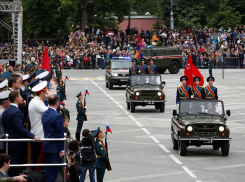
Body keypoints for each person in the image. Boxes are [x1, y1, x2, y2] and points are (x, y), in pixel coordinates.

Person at [2, 91, 40, 177]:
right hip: (15, 144)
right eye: (20, 96)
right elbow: (19, 128)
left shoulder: (6, 110)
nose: (22, 98)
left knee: (9, 167)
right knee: (13, 168)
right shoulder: (16, 112)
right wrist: (32, 136)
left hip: (9, 142)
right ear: (16, 99)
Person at [42, 95, 64, 182]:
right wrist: (62, 149)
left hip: (47, 146)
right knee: (53, 173)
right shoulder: (57, 116)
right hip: (55, 147)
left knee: (48, 171)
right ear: (57, 103)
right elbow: (60, 133)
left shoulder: (45, 114)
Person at [28, 81, 49, 168]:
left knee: (40, 160)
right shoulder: (37, 103)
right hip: (40, 135)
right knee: (39, 162)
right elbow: (51, 111)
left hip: (39, 134)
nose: (47, 93)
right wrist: (53, 98)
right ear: (42, 93)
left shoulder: (37, 101)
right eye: (46, 92)